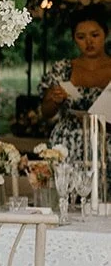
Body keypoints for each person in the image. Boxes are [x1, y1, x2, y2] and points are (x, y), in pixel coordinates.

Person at [39, 9, 111, 166]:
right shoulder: (62, 69)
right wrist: (55, 99)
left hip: (107, 145)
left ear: (106, 34)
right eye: (81, 37)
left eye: (95, 35)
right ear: (74, 39)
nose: (89, 42)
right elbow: (45, 112)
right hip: (68, 145)